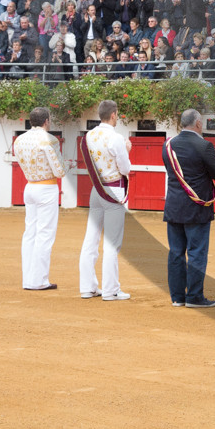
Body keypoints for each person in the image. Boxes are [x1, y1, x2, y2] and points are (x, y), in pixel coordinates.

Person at [162, 108, 215, 308]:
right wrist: (214, 157)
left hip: (174, 206)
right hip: (196, 207)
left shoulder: (168, 145)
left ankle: (177, 297)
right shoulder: (204, 146)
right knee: (197, 252)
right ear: (198, 124)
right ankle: (195, 296)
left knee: (176, 252)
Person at [79, 100, 132, 301]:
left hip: (96, 189)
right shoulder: (116, 138)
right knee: (112, 243)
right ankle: (110, 290)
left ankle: (87, 287)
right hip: (113, 189)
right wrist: (127, 150)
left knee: (90, 239)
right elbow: (125, 169)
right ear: (113, 115)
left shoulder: (89, 136)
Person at [14, 107, 65, 291]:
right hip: (46, 188)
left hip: (30, 186)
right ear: (46, 121)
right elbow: (60, 171)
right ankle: (39, 280)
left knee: (30, 233)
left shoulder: (19, 139)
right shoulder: (49, 139)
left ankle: (28, 279)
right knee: (44, 234)